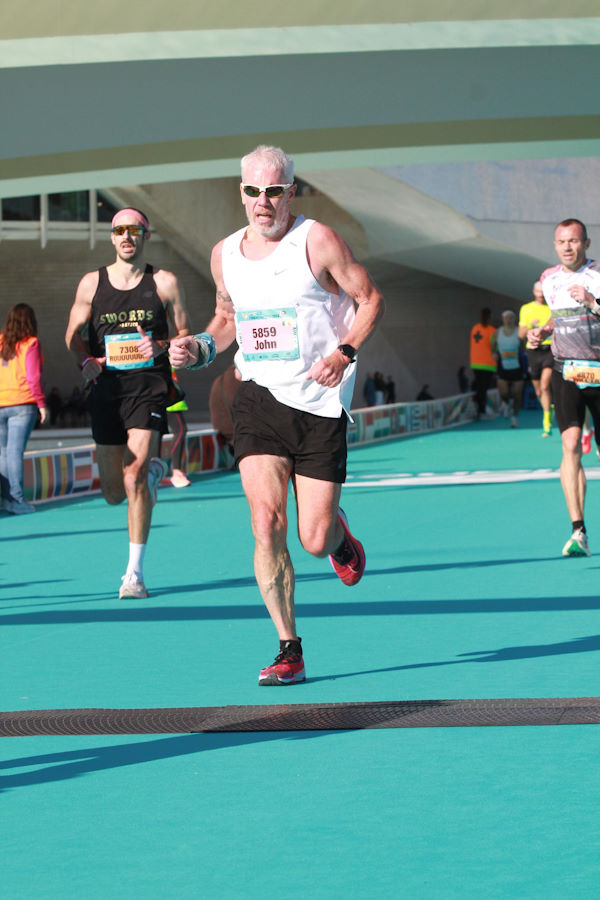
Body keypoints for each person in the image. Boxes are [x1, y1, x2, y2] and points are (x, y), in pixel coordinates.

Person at [170, 144, 384, 685]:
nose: (262, 202)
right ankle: (289, 647)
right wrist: (198, 347)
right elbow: (225, 319)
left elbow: (371, 299)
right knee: (266, 524)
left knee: (312, 540)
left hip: (318, 401)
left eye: (273, 191)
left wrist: (344, 354)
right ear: (239, 192)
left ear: (291, 190)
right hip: (258, 397)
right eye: (252, 192)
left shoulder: (317, 240)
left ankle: (340, 538)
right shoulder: (225, 254)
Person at [65, 207, 191, 597]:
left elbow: (185, 334)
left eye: (134, 230)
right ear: (111, 236)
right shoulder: (91, 284)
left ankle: (133, 574)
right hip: (106, 388)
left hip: (148, 385)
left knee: (133, 478)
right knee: (113, 492)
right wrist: (85, 359)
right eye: (119, 230)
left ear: (145, 236)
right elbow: (73, 334)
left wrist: (161, 345)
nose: (126, 237)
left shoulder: (165, 282)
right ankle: (153, 474)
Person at [530, 218, 600, 557]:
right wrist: (542, 332)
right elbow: (556, 318)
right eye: (561, 242)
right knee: (570, 444)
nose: (567, 247)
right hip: (566, 371)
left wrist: (592, 301)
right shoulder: (549, 279)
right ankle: (578, 531)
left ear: (585, 243)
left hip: (599, 372)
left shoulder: (598, 275)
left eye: (573, 241)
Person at [0, 304, 49, 514]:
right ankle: (18, 500)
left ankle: (6, 499)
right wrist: (41, 404)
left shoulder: (1, 342)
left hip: (1, 402)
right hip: (22, 403)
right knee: (14, 452)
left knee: (2, 453)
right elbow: (33, 377)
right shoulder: (31, 343)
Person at [518, 281, 554, 436]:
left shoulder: (552, 307)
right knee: (538, 390)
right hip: (533, 351)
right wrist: (530, 326)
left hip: (549, 349)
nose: (541, 295)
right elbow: (520, 335)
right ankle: (547, 410)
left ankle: (547, 419)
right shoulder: (526, 309)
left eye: (543, 292)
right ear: (534, 292)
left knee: (545, 385)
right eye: (538, 292)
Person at [491, 310, 524, 428]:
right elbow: (492, 344)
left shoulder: (518, 332)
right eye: (506, 318)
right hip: (503, 366)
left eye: (511, 318)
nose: (508, 320)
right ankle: (505, 402)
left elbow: (524, 345)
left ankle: (514, 418)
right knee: (503, 392)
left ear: (514, 319)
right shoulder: (497, 332)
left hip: (517, 367)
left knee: (517, 393)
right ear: (503, 319)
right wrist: (493, 353)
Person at [469, 307, 497, 419]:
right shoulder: (491, 330)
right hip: (488, 363)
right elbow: (494, 347)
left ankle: (478, 408)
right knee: (483, 387)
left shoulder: (475, 328)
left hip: (475, 362)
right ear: (490, 317)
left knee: (479, 386)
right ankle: (482, 410)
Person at [166, 369, 191, 487]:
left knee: (156, 434)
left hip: (165, 397)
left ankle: (157, 473)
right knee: (180, 430)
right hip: (167, 398)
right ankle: (176, 472)